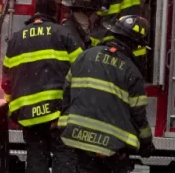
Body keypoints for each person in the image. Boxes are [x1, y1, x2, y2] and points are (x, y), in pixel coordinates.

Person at [59, 15, 154, 173]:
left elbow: (67, 94)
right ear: (135, 45)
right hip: (112, 147)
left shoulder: (84, 56)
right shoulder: (132, 72)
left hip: (78, 137)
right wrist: (146, 144)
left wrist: (66, 121)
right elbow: (138, 116)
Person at [2, 0, 83, 173]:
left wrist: (12, 107)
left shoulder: (16, 38)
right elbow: (83, 69)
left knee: (36, 156)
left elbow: (7, 80)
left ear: (35, 11)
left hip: (28, 114)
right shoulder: (63, 34)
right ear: (54, 12)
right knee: (63, 154)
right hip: (57, 112)